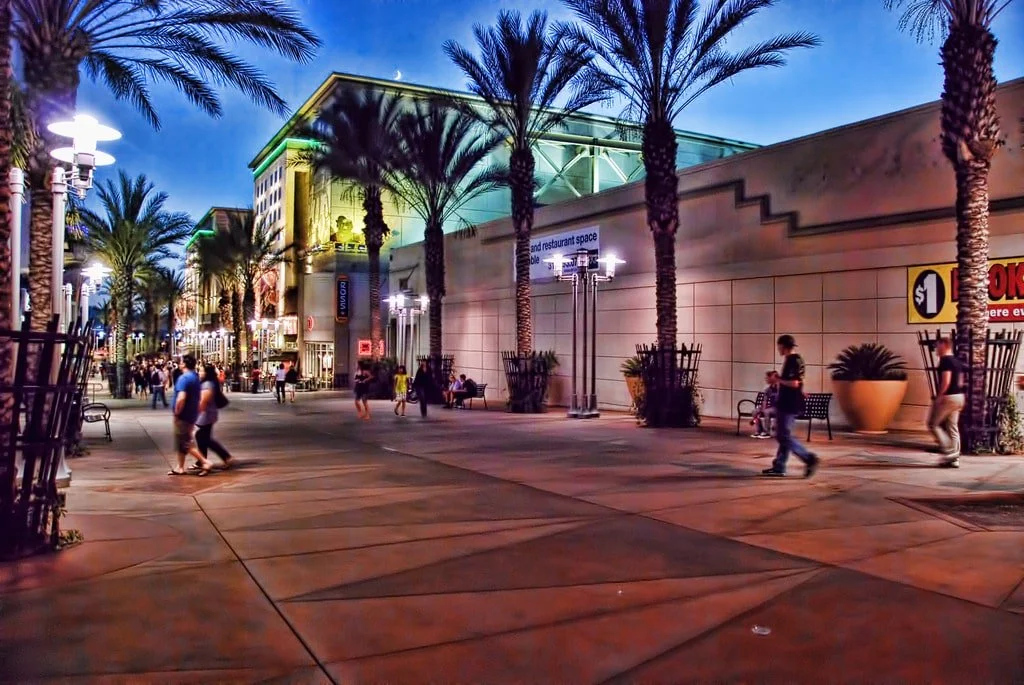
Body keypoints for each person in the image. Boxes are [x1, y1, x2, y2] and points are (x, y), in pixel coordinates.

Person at [763, 335, 819, 478]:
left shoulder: (792, 360)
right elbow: (798, 383)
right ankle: (779, 466)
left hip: (788, 404)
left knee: (782, 435)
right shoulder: (796, 360)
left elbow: (794, 383)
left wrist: (778, 379)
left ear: (783, 346)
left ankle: (808, 458)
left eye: (779, 346)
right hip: (790, 402)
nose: (778, 349)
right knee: (783, 435)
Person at [169, 354, 213, 477]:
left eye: (181, 361)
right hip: (192, 414)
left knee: (185, 442)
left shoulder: (184, 378)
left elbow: (181, 398)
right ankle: (180, 467)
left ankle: (205, 462)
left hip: (183, 415)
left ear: (184, 364)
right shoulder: (195, 377)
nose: (179, 363)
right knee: (182, 440)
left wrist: (177, 412)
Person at [927, 337, 966, 468]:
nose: (936, 349)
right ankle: (954, 459)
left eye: (937, 346)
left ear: (944, 345)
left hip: (948, 397)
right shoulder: (957, 362)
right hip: (959, 397)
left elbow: (946, 381)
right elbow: (960, 381)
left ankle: (949, 452)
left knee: (933, 424)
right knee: (952, 427)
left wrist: (940, 396)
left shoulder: (945, 361)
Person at [194, 364, 233, 470]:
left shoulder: (207, 384)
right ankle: (202, 460)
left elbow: (203, 402)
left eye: (201, 371)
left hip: (205, 415)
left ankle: (226, 457)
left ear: (207, 373)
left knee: (205, 438)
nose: (199, 373)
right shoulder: (208, 383)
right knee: (201, 437)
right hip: (207, 415)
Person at [751, 371, 779, 438]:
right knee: (755, 411)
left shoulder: (780, 388)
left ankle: (767, 432)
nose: (766, 379)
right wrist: (762, 409)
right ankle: (759, 430)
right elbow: (764, 401)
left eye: (768, 377)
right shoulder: (768, 389)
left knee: (767, 411)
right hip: (771, 407)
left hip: (779, 408)